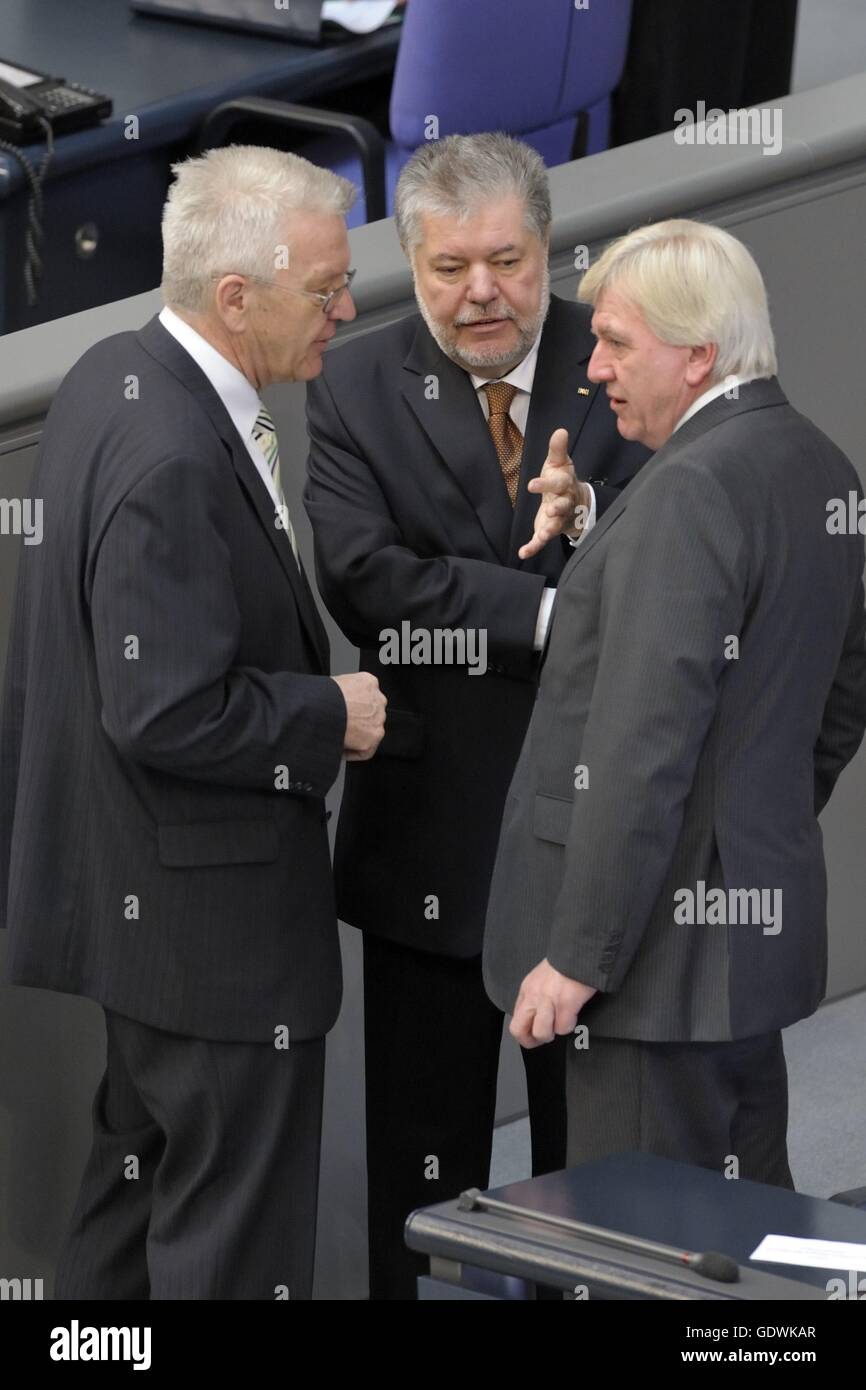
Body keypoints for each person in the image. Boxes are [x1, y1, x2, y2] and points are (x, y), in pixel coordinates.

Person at [0, 145, 386, 1300]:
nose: (345, 309)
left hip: (145, 926)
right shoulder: (173, 453)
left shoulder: (109, 375)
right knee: (228, 1250)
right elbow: (165, 706)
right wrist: (332, 713)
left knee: (123, 1223)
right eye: (323, 290)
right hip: (215, 953)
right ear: (235, 297)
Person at [304, 132, 649, 1298]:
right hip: (431, 844)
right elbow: (364, 582)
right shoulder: (353, 384)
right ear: (409, 260)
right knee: (423, 1165)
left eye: (504, 259)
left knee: (595, 1175)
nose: (481, 291)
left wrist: (590, 517)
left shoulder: (616, 354)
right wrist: (551, 616)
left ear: (546, 249)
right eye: (449, 267)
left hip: (588, 843)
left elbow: (669, 546)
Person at [483, 218, 866, 1188]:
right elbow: (841, 684)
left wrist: (577, 956)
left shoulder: (687, 492)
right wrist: (750, 816)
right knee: (752, 1246)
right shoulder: (816, 465)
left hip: (653, 977)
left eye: (614, 342)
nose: (594, 370)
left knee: (647, 1256)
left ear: (695, 357)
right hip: (742, 954)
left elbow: (638, 748)